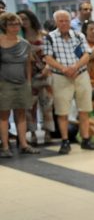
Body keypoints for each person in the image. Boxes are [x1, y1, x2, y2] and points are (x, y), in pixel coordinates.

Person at [43, 10, 94, 153]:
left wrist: (75, 67)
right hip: (61, 76)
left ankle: (86, 139)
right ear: (56, 22)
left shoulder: (79, 35)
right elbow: (47, 58)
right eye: (61, 21)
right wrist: (63, 69)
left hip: (80, 74)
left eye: (66, 20)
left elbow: (87, 54)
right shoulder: (50, 37)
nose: (64, 23)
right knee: (62, 111)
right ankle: (65, 141)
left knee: (85, 108)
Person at [0, 12, 40, 157]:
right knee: (4, 115)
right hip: (4, 83)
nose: (15, 27)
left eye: (17, 24)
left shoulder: (24, 43)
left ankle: (24, 144)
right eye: (11, 24)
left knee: (22, 113)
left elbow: (28, 64)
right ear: (4, 26)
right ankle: (5, 146)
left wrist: (28, 82)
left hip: (22, 82)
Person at [19, 9, 54, 144]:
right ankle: (32, 132)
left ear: (31, 19)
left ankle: (48, 132)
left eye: (25, 19)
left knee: (47, 105)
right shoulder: (19, 37)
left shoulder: (44, 35)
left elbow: (52, 54)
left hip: (45, 73)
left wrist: (48, 67)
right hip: (28, 75)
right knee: (30, 106)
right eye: (20, 19)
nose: (23, 22)